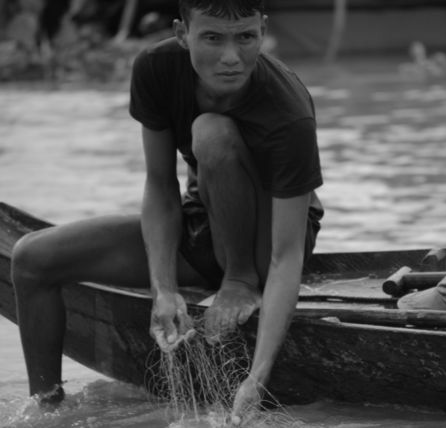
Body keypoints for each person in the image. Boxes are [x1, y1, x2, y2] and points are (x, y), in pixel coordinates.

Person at [10, 0, 323, 422]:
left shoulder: (289, 111)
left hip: (271, 245)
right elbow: (160, 185)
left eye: (245, 37)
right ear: (181, 34)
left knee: (210, 132)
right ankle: (45, 410)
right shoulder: (156, 69)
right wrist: (164, 290)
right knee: (31, 258)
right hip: (206, 219)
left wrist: (256, 377)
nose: (231, 58)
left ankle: (237, 279)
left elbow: (287, 257)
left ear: (262, 31)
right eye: (212, 38)